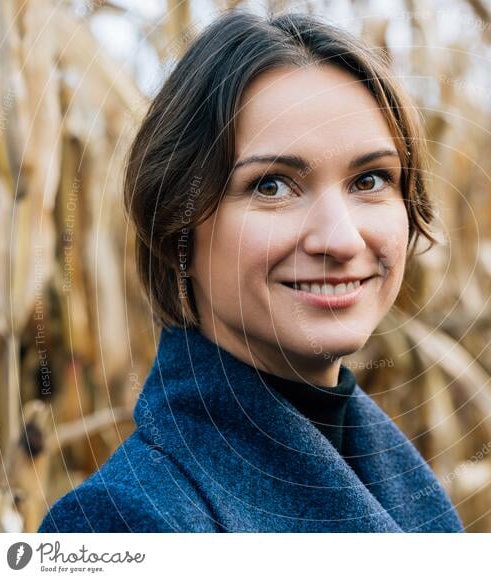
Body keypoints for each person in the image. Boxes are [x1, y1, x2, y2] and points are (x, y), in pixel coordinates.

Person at [38, 9, 463, 533]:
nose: (340, 238)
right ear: (178, 230)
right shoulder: (124, 523)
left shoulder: (398, 479)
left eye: (370, 180)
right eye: (272, 186)